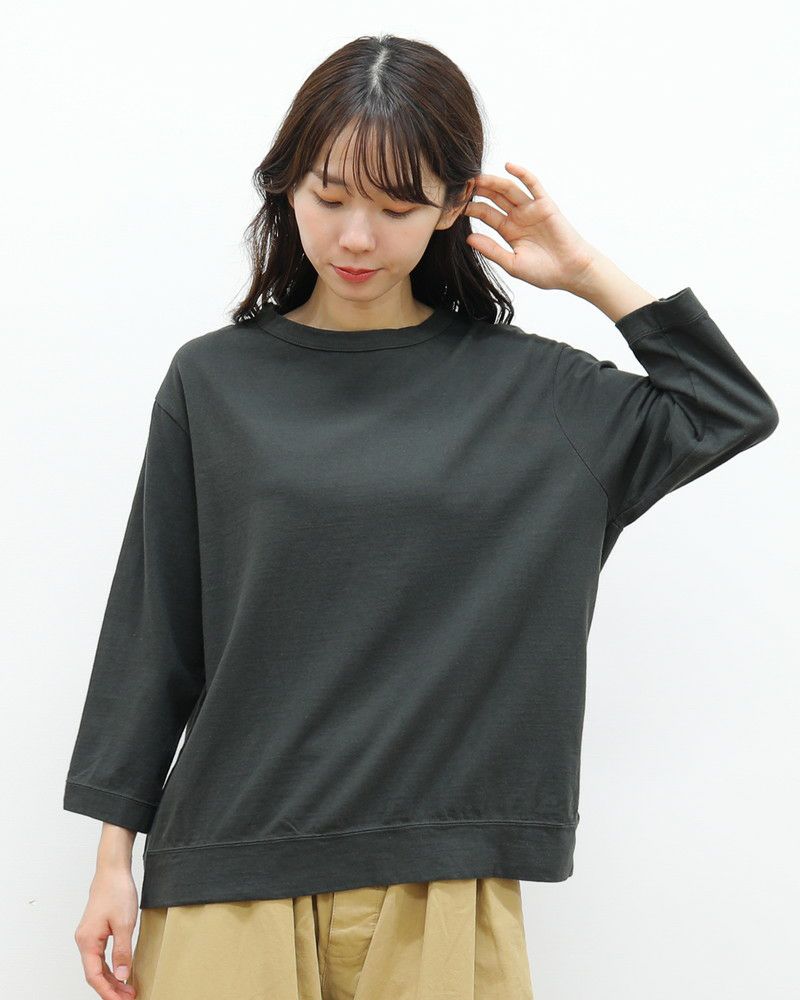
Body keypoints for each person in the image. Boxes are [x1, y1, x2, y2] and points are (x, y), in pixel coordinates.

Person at [64, 33, 779, 1000]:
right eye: (329, 197)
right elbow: (155, 633)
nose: (357, 238)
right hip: (229, 866)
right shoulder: (214, 381)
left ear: (452, 205)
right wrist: (112, 860)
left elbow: (724, 410)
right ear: (284, 187)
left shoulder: (537, 396)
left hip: (443, 877)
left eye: (398, 208)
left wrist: (583, 271)